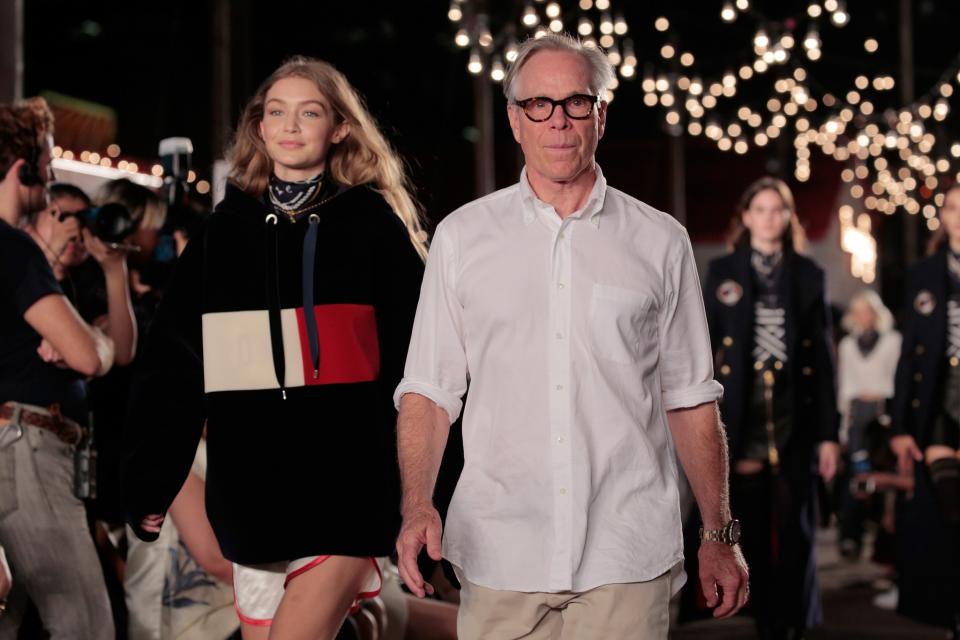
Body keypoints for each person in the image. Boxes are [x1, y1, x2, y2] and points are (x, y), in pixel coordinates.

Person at [394, 33, 748, 640]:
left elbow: (690, 397)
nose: (558, 121)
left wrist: (718, 534)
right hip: (501, 547)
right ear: (514, 119)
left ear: (601, 115)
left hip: (626, 550)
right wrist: (417, 505)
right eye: (539, 104)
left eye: (576, 103)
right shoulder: (461, 239)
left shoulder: (660, 241)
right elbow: (429, 390)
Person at [123, 56, 426, 640]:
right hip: (252, 501)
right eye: (276, 112)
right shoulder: (222, 235)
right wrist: (150, 478)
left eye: (309, 112)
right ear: (259, 128)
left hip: (348, 492)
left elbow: (425, 368)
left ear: (339, 127)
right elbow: (172, 367)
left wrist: (429, 496)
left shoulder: (371, 226)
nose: (290, 125)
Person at [686, 176, 840, 639]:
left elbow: (824, 361)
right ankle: (759, 616)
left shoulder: (810, 274)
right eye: (762, 209)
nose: (770, 218)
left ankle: (789, 620)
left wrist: (831, 433)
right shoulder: (723, 272)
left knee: (796, 531)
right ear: (747, 216)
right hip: (741, 417)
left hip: (797, 416)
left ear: (789, 217)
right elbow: (701, 348)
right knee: (747, 525)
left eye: (779, 209)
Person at [0, 97, 116, 638]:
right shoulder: (14, 251)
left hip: (14, 447)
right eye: (47, 163)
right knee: (85, 626)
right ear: (24, 166)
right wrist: (88, 338)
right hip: (29, 450)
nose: (51, 177)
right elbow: (91, 356)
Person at [889, 182, 960, 632]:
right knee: (951, 510)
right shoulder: (925, 273)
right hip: (938, 408)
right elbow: (908, 352)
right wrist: (899, 426)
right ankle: (952, 613)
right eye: (953, 207)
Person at [835, 290, 900, 558]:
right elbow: (845, 384)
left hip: (884, 411)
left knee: (886, 474)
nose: (864, 317)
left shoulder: (893, 341)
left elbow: (896, 378)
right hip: (857, 414)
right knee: (856, 474)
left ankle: (885, 542)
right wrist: (843, 426)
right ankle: (852, 535)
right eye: (859, 312)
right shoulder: (847, 345)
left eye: (868, 311)